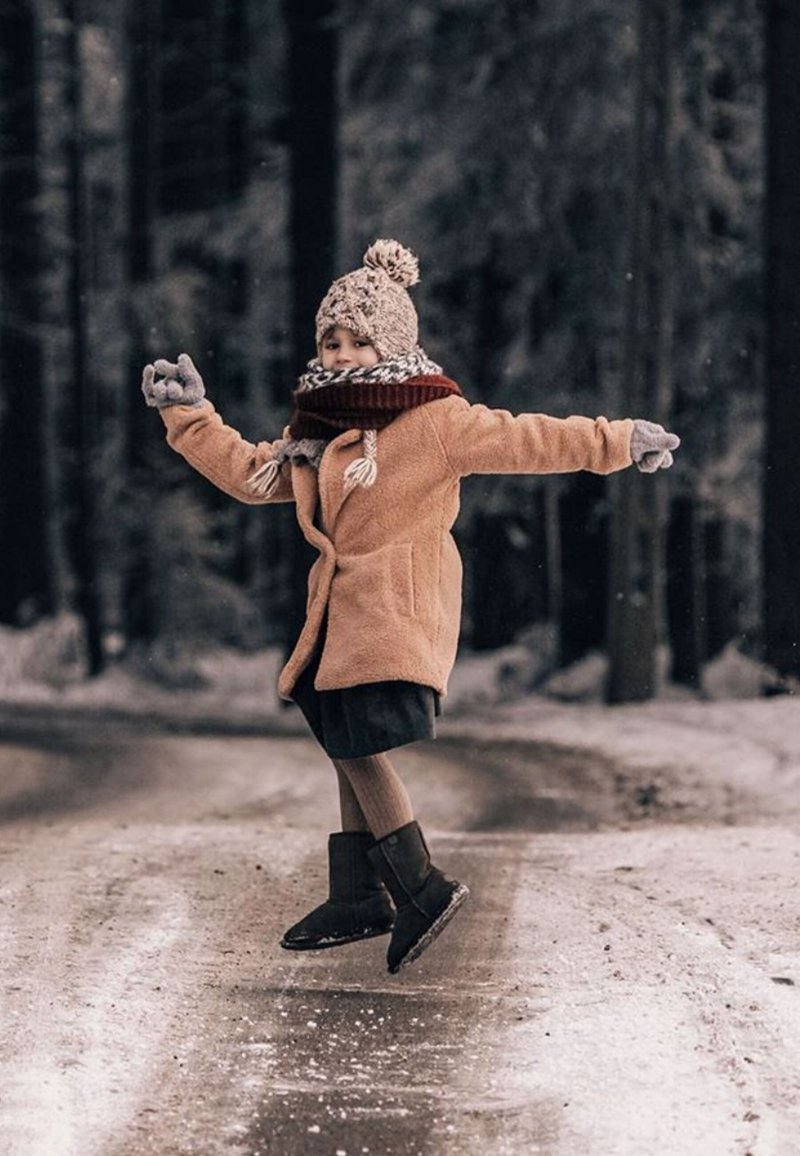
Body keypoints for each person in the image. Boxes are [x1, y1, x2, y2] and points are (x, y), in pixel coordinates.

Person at [142, 239, 679, 975]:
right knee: (339, 726)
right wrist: (190, 416)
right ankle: (358, 893)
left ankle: (420, 886)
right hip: (343, 611)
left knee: (356, 742)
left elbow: (528, 438)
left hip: (397, 605)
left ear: (391, 344)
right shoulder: (319, 429)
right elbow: (250, 473)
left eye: (358, 341)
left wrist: (616, 441)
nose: (341, 354)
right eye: (331, 341)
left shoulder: (434, 419)